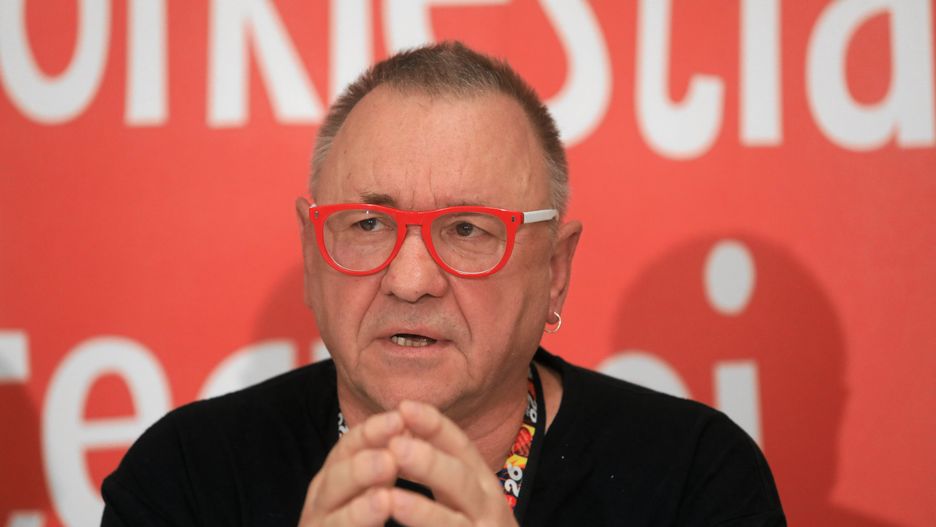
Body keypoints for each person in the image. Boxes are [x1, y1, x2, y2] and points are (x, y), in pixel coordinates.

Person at [101, 42, 785, 526]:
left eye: (466, 229)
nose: (410, 279)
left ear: (555, 271)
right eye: (369, 224)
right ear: (313, 255)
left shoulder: (692, 478)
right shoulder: (187, 476)